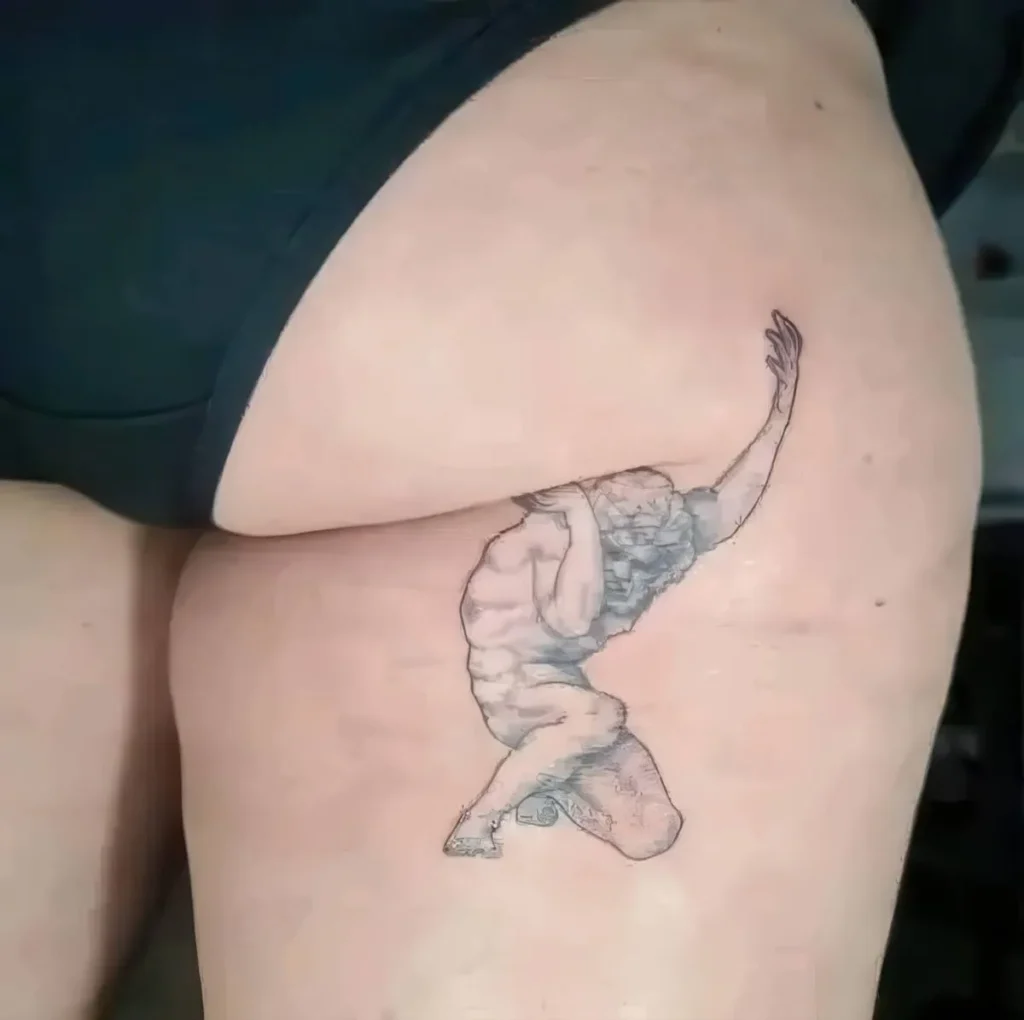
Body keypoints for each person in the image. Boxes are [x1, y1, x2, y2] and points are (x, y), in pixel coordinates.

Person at [0, 1, 980, 1018]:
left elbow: (702, 523)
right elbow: (721, 512)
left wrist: (765, 414)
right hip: (520, 227)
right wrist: (776, 408)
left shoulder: (581, 705)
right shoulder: (591, 686)